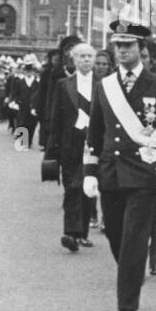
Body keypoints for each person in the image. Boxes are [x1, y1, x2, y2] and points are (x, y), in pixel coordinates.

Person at [82, 20, 156, 311]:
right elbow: (94, 133)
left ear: (141, 48)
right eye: (118, 45)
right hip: (111, 172)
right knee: (114, 235)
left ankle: (127, 304)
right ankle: (132, 271)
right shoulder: (105, 86)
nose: (122, 50)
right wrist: (89, 171)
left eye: (128, 45)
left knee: (135, 239)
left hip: (144, 174)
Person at [46, 42, 97, 252]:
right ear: (74, 60)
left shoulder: (104, 84)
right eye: (82, 56)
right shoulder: (63, 84)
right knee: (72, 188)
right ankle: (70, 233)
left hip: (93, 145)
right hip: (70, 144)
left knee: (86, 189)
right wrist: (51, 150)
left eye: (89, 56)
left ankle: (81, 232)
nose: (86, 60)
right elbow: (55, 118)